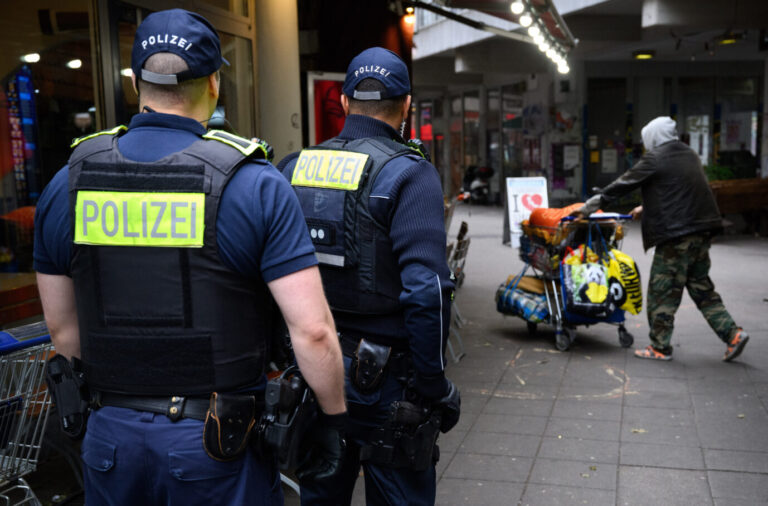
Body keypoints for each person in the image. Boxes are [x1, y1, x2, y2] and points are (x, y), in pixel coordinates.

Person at [33, 9, 346, 505]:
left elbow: (63, 333)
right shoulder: (252, 182)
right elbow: (311, 330)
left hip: (109, 438)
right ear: (215, 84)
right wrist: (333, 420)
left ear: (136, 83)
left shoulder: (66, 182)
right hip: (216, 443)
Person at [278, 47, 460, 506]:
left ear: (342, 103)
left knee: (319, 494)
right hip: (389, 387)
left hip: (313, 375)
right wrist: (435, 386)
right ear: (406, 107)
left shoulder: (291, 168)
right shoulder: (410, 174)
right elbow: (429, 292)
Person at [578, 116, 749, 362]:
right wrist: (644, 207)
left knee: (661, 292)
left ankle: (659, 347)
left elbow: (623, 184)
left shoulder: (655, 158)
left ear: (653, 138)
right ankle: (733, 334)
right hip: (701, 232)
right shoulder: (688, 154)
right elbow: (678, 190)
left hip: (676, 237)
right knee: (702, 289)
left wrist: (587, 208)